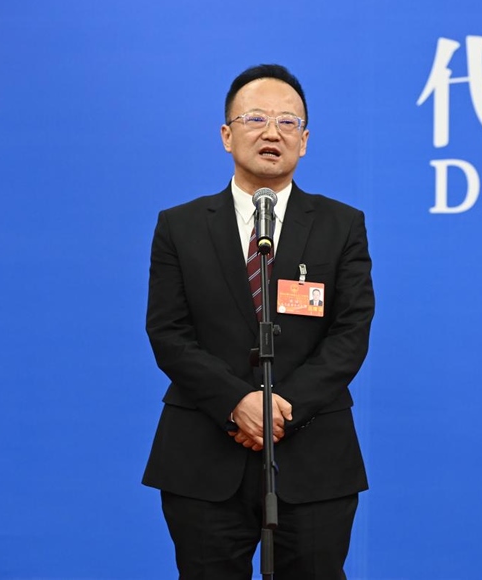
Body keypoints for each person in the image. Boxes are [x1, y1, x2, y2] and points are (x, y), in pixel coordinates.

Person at [142, 64, 375, 579]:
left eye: (288, 122)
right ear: (227, 135)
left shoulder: (341, 225)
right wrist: (236, 403)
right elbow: (168, 332)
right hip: (203, 454)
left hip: (313, 455)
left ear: (304, 142)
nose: (273, 132)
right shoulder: (179, 226)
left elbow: (350, 332)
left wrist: (281, 410)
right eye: (255, 119)